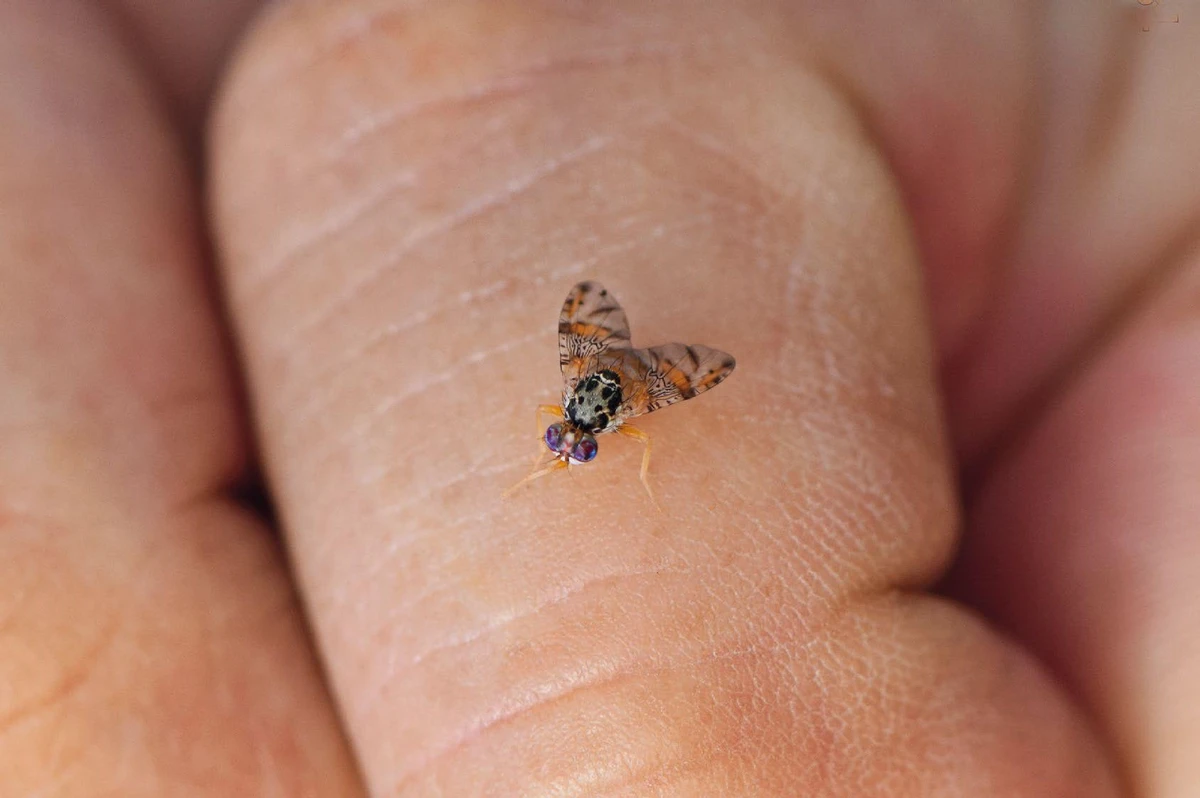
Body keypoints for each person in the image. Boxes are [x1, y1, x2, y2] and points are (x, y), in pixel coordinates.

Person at [0, 1, 1194, 794]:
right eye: (578, 427)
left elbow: (637, 376)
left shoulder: (631, 397)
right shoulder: (586, 398)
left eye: (578, 431)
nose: (575, 433)